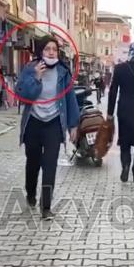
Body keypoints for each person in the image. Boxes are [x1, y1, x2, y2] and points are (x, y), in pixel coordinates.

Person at [16, 36, 80, 220]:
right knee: (33, 162)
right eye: (47, 49)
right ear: (40, 52)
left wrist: (73, 125)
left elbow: (70, 98)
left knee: (50, 164)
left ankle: (46, 207)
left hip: (54, 122)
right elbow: (23, 95)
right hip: (34, 122)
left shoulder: (63, 71)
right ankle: (30, 193)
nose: (51, 52)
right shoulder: (30, 69)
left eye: (54, 49)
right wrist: (36, 77)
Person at [107, 43, 134, 185]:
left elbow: (113, 91)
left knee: (125, 141)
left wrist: (109, 113)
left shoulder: (120, 69)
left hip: (124, 107)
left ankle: (125, 165)